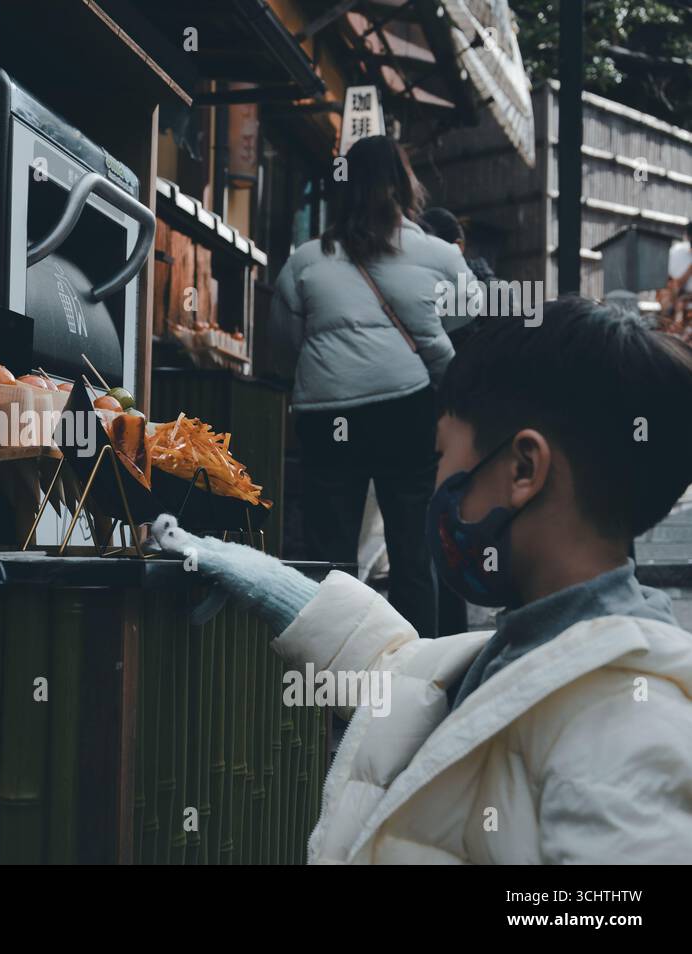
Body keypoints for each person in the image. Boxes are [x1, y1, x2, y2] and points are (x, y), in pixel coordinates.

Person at [152, 297, 692, 863]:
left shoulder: (630, 726)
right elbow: (405, 677)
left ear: (523, 470)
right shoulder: (536, 645)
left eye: (442, 454)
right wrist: (265, 580)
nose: (437, 481)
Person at [271, 136, 474, 637]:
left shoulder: (304, 259)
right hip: (406, 410)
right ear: (406, 186)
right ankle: (416, 677)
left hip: (325, 412)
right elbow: (465, 315)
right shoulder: (440, 255)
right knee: (412, 552)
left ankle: (336, 688)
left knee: (332, 560)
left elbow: (284, 341)